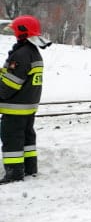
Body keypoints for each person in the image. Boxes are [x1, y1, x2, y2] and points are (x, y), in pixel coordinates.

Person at [0, 16, 49, 184]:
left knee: (12, 139)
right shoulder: (33, 52)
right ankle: (29, 168)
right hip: (28, 107)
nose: (13, 32)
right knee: (27, 139)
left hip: (14, 108)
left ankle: (14, 174)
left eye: (15, 30)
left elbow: (10, 84)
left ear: (22, 32)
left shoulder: (20, 54)